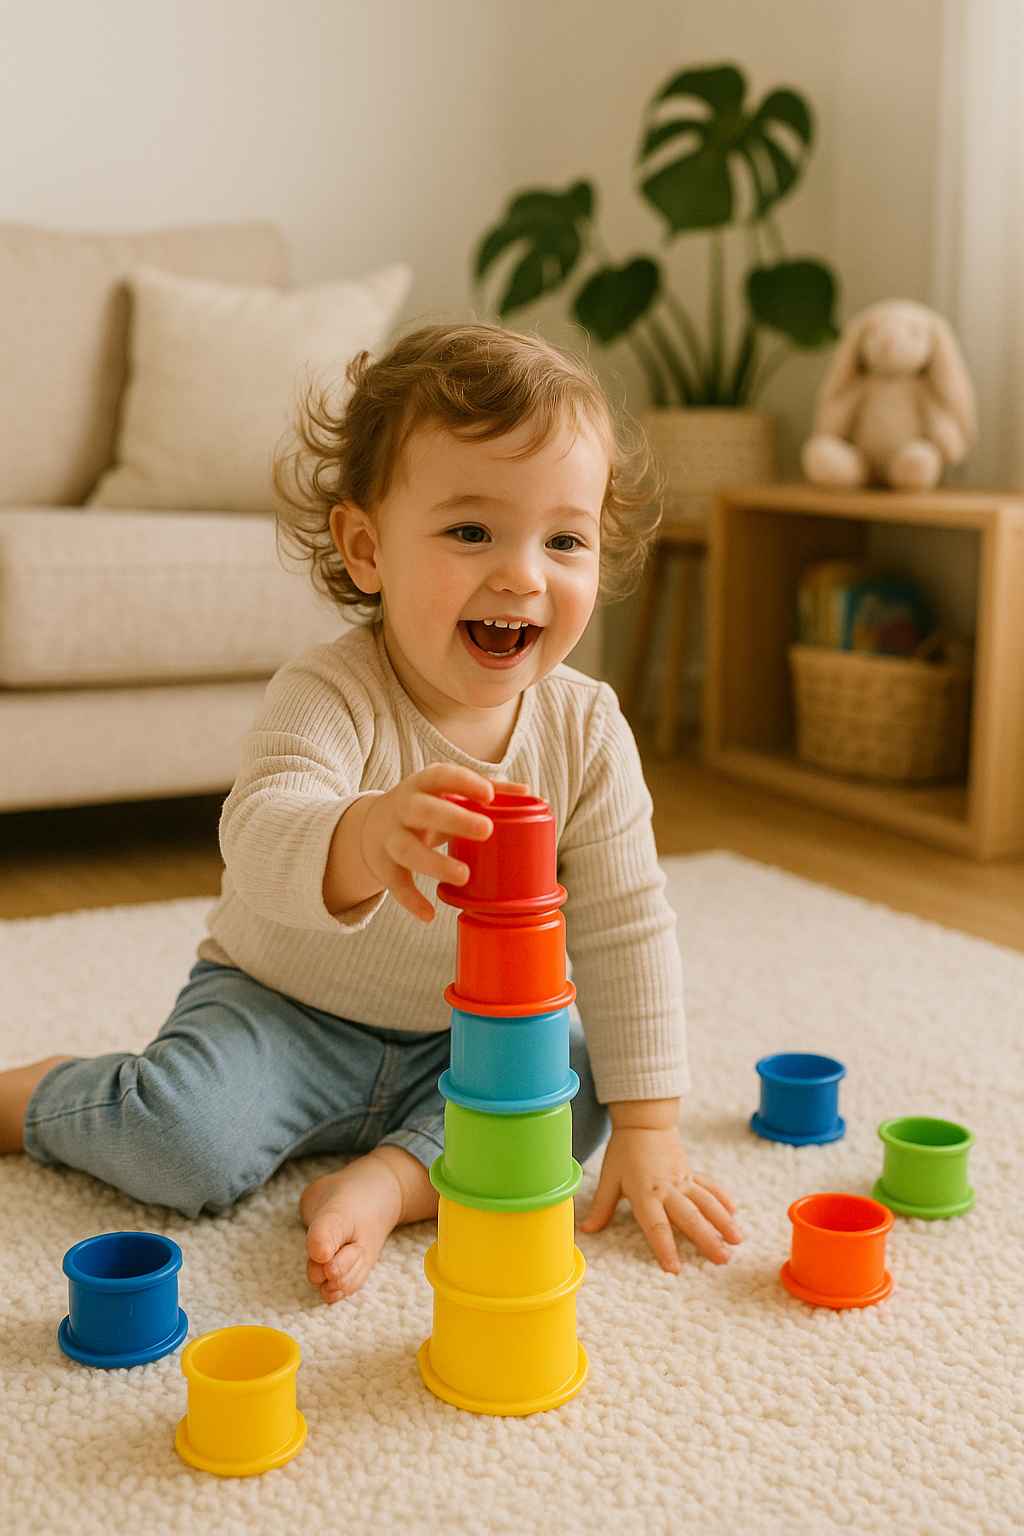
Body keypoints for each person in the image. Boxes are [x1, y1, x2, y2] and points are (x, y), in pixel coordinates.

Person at [0, 324, 743, 1301]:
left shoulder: (588, 729)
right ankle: (31, 1098)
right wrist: (362, 834)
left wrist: (651, 1129)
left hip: (467, 1036)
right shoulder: (329, 692)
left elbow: (625, 923)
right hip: (282, 1009)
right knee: (182, 1147)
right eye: (472, 531)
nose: (524, 574)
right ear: (366, 549)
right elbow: (258, 836)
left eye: (563, 539)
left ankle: (388, 1182)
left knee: (585, 1091)